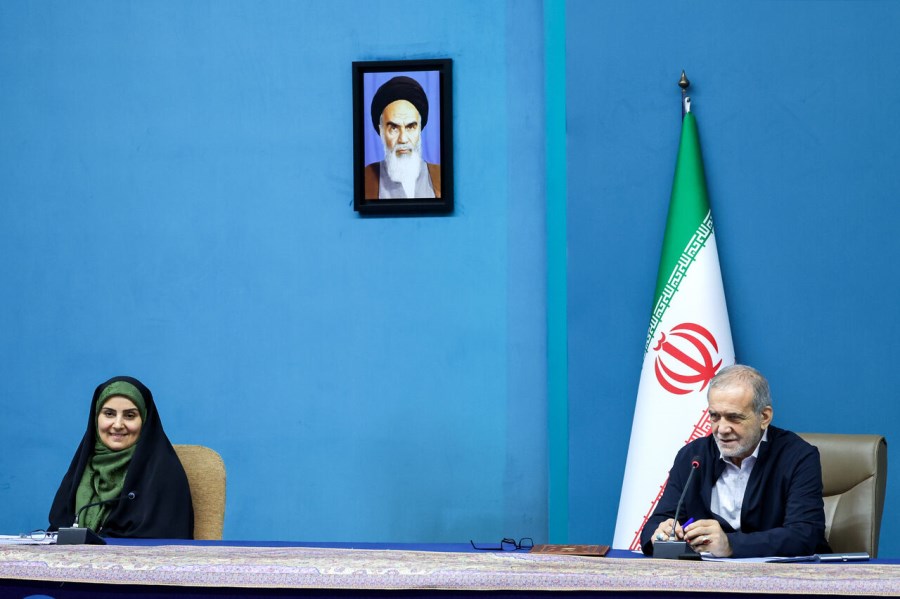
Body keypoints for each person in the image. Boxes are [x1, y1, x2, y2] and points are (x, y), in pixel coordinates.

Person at [641, 365, 830, 558]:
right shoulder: (693, 456)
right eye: (714, 416)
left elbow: (805, 535)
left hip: (782, 573)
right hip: (705, 573)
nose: (722, 429)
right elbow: (654, 526)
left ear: (764, 417)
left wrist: (730, 545)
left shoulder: (798, 456)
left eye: (734, 417)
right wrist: (660, 534)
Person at [48, 376, 194, 538]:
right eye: (109, 414)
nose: (118, 425)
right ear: (96, 418)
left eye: (130, 415)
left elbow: (164, 541)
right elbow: (57, 531)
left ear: (145, 420)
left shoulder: (164, 473)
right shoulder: (82, 469)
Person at [364, 75, 441, 199]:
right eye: (394, 128)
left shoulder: (441, 176)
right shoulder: (366, 179)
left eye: (410, 127)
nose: (403, 139)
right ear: (381, 132)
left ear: (419, 129)